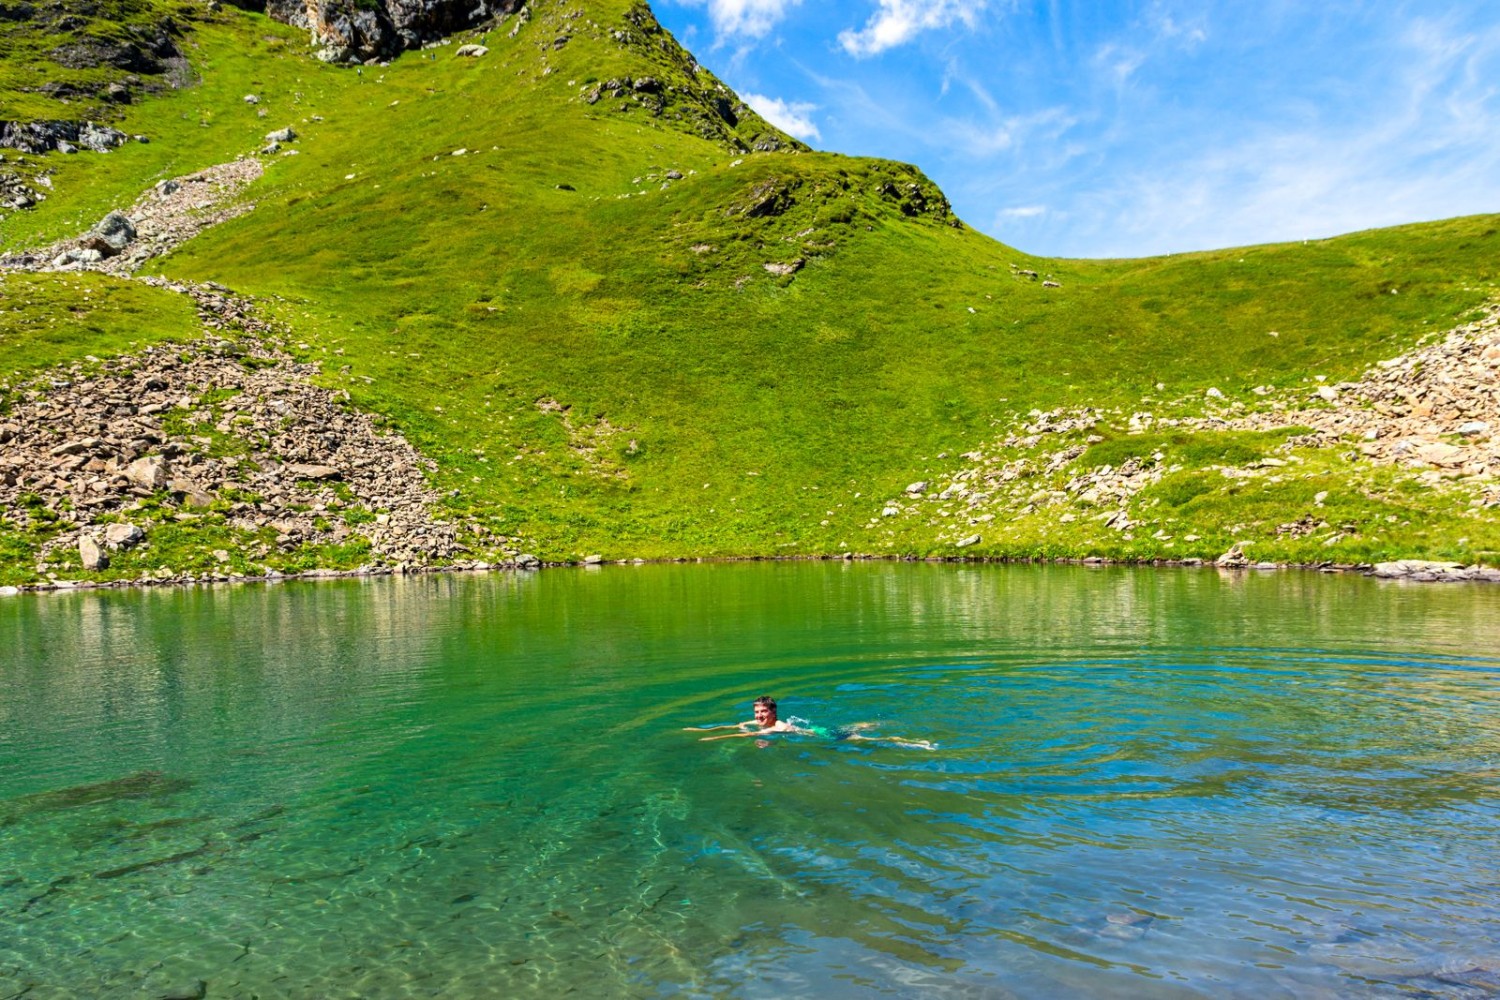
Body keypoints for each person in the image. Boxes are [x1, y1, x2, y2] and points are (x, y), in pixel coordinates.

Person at [684, 696, 935, 749]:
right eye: (757, 712)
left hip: (821, 735)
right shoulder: (756, 721)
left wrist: (715, 739)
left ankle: (910, 741)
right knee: (855, 727)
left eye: (762, 712)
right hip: (817, 729)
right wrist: (701, 729)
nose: (758, 716)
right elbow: (734, 726)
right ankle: (872, 722)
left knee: (863, 739)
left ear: (772, 712)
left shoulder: (778, 727)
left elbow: (743, 736)